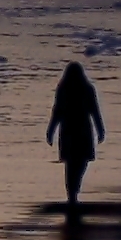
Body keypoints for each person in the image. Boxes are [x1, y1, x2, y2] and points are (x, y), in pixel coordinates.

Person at [45, 61, 105, 206]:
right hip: (78, 130)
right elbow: (58, 110)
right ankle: (73, 193)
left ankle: (72, 192)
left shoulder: (77, 88)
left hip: (72, 130)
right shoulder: (69, 89)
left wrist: (51, 130)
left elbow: (57, 111)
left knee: (75, 163)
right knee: (77, 163)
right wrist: (100, 129)